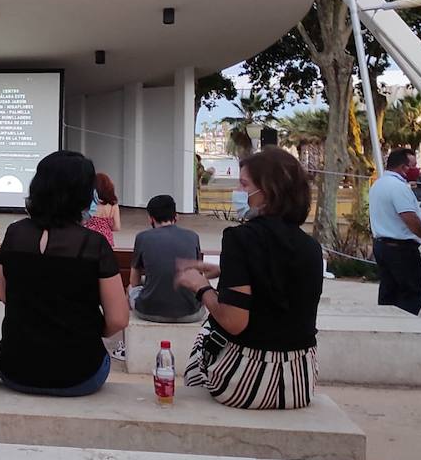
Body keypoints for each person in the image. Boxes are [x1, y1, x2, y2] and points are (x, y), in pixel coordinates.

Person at [174, 147, 322, 410]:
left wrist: (201, 287)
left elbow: (234, 321)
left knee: (207, 332)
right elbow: (279, 279)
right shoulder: (310, 246)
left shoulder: (240, 238)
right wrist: (225, 270)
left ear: (268, 191)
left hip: (247, 383)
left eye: (244, 185)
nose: (238, 192)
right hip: (300, 383)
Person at [0, 150, 127, 396]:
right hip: (80, 374)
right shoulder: (94, 244)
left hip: (15, 369)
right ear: (83, 194)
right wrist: (85, 330)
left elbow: (5, 296)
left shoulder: (14, 234)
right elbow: (118, 319)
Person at [127, 195, 207, 324]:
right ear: (176, 217)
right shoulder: (193, 236)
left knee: (132, 289)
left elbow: (134, 281)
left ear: (151, 218)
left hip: (148, 313)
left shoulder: (142, 237)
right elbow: (197, 277)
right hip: (191, 313)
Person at [368, 147, 421, 315]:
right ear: (403, 167)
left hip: (382, 246)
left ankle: (387, 324)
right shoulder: (398, 188)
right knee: (412, 293)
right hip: (401, 248)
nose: (416, 170)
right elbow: (409, 217)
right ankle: (404, 324)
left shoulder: (378, 185)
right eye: (413, 166)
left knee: (389, 292)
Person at [82, 172, 120, 243]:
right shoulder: (113, 204)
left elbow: (83, 221)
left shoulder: (89, 201)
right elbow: (117, 227)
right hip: (106, 238)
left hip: (90, 236)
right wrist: (105, 227)